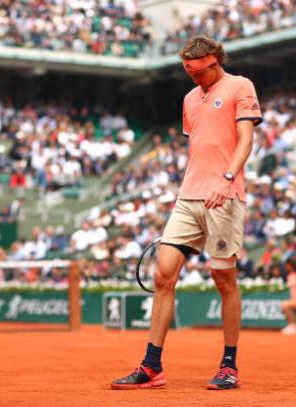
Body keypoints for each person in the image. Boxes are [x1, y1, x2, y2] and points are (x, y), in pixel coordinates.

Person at [111, 35, 263, 391]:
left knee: (223, 279)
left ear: (213, 60)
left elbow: (245, 140)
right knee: (164, 275)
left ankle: (229, 366)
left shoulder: (240, 85)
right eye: (187, 72)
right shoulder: (190, 99)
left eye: (195, 72)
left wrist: (227, 179)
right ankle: (152, 366)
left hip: (224, 195)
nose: (191, 78)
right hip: (188, 197)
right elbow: (200, 145)